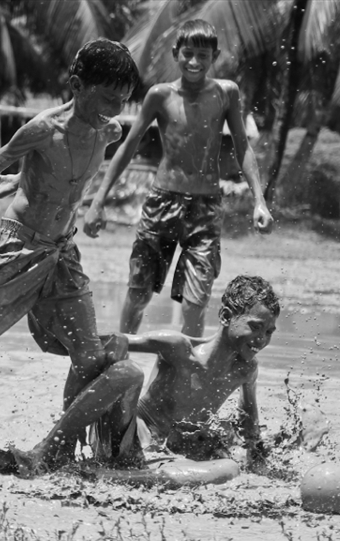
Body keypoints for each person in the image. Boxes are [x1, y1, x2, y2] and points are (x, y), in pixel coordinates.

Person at [0, 39, 144, 464]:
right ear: (76, 85)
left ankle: (59, 449)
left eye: (122, 100)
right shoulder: (42, 129)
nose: (115, 108)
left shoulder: (110, 130)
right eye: (106, 97)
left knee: (89, 357)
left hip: (63, 251)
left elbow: (65, 178)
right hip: (19, 246)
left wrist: (21, 181)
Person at [85, 19, 274, 337]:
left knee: (194, 303)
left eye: (203, 55)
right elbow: (127, 148)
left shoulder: (226, 93)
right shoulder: (160, 96)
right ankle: (122, 357)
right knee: (139, 293)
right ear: (176, 53)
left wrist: (260, 201)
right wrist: (97, 203)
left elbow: (243, 147)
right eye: (188, 53)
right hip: (162, 204)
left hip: (205, 209)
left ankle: (186, 376)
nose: (195, 62)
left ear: (214, 57)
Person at [0, 275, 279, 475]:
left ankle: (110, 476)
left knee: (229, 469)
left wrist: (257, 458)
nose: (262, 339)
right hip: (126, 438)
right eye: (255, 327)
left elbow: (248, 422)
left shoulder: (245, 370)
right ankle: (50, 449)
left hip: (164, 457)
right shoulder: (178, 348)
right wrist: (48, 330)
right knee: (129, 372)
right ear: (227, 316)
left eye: (269, 332)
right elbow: (106, 343)